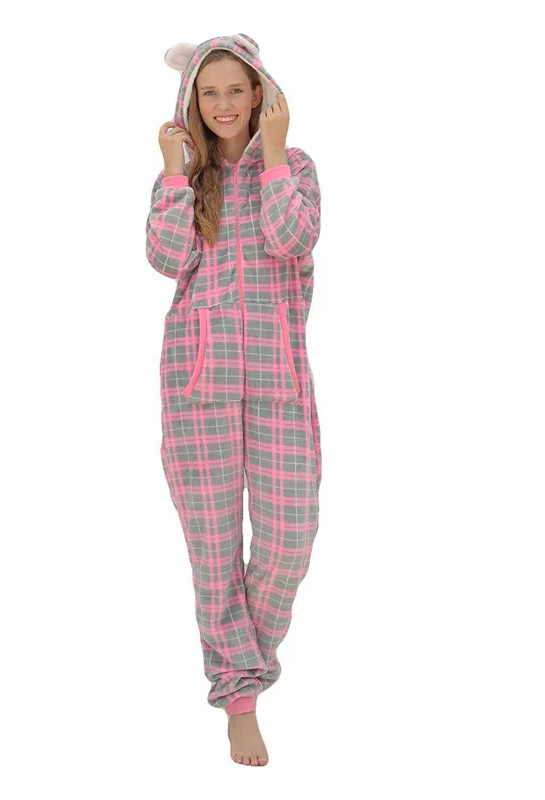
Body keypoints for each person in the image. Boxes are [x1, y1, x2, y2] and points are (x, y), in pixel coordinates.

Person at [145, 32, 323, 767]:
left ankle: (248, 662)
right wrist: (174, 172)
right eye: (209, 92)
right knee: (214, 551)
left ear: (259, 95)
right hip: (198, 384)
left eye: (235, 90)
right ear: (193, 100)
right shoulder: (185, 179)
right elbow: (166, 258)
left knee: (288, 540)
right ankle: (240, 698)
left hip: (279, 383)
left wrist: (274, 152)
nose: (223, 104)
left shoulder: (296, 167)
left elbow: (293, 237)